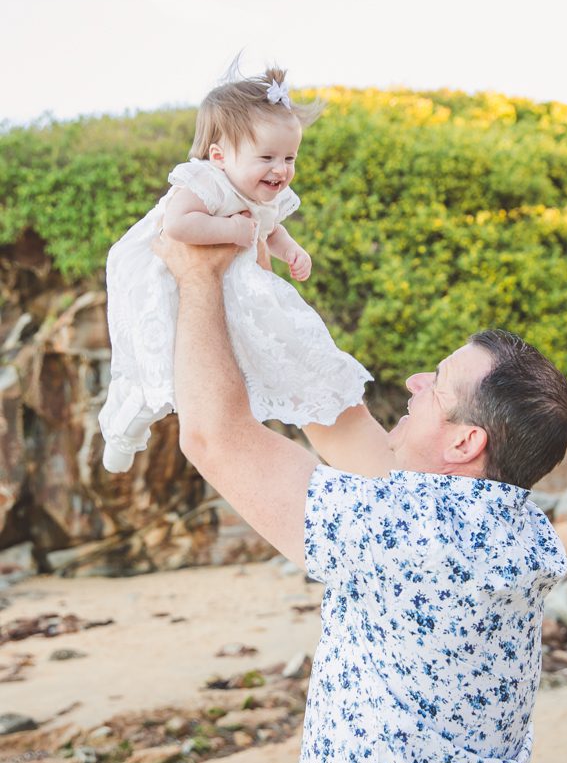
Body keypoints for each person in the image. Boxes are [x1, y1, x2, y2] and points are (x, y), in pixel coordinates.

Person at [153, 234, 567, 763]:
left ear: (464, 444)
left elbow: (214, 437)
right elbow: (345, 428)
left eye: (436, 386)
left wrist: (198, 277)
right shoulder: (509, 528)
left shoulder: (410, 532)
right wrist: (254, 293)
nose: (412, 381)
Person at [99, 63, 371, 472]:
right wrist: (229, 228)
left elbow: (270, 227)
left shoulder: (265, 192)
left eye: (289, 157)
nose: (280, 169)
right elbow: (177, 225)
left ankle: (315, 404)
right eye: (267, 157)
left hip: (232, 289)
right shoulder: (205, 182)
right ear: (220, 156)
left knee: (263, 349)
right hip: (168, 284)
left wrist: (291, 251)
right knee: (154, 363)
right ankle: (124, 428)